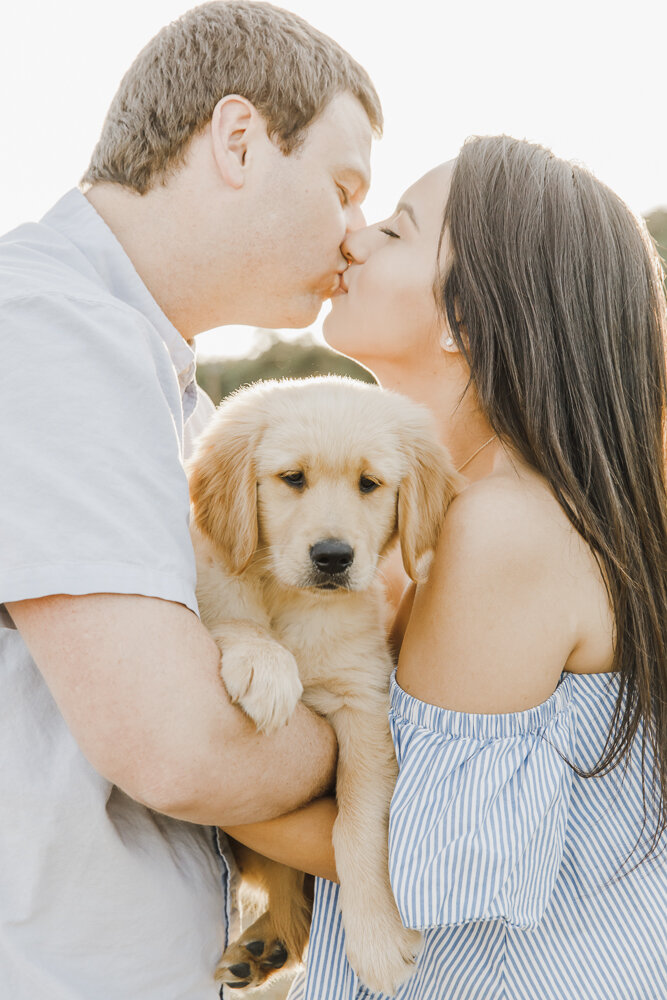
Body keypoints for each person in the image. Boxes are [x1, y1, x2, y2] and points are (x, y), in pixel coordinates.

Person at [226, 136, 667, 999]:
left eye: (394, 231)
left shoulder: (503, 531)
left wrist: (157, 752)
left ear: (461, 322)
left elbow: (420, 863)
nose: (353, 238)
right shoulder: (518, 510)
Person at [0, 3, 382, 997]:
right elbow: (180, 747)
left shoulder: (162, 384)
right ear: (239, 139)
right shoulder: (46, 330)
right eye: (344, 189)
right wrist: (367, 736)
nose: (354, 238)